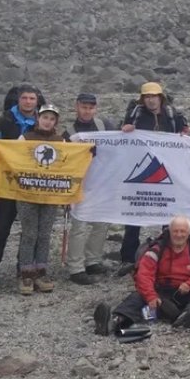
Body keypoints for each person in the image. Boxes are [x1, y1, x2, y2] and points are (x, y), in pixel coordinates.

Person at [93, 215, 190, 334]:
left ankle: (188, 316)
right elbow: (143, 275)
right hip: (160, 295)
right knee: (138, 297)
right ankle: (114, 321)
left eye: (182, 231)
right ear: (169, 231)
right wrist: (151, 296)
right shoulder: (157, 249)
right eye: (175, 231)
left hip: (185, 293)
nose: (179, 235)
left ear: (189, 232)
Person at [118, 82, 190, 274]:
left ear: (160, 97)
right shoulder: (136, 114)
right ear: (143, 99)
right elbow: (122, 132)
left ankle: (168, 253)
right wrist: (124, 129)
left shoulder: (171, 115)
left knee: (167, 212)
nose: (151, 99)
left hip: (166, 171)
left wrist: (185, 136)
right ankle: (127, 258)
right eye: (147, 96)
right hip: (141, 171)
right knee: (134, 214)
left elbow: (184, 133)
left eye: (154, 96)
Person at [0, 84, 44, 292]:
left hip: (30, 185)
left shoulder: (42, 123)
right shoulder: (5, 122)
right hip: (7, 184)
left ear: (37, 101)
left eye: (32, 99)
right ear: (18, 100)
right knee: (0, 229)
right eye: (24, 98)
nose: (28, 102)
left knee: (30, 230)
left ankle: (23, 270)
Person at [15, 104, 69, 295]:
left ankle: (41, 272)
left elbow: (68, 164)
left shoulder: (60, 141)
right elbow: (12, 157)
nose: (48, 121)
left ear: (56, 122)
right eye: (45, 117)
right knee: (30, 233)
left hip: (50, 194)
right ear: (38, 118)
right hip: (26, 194)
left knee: (45, 233)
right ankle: (26, 274)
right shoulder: (25, 138)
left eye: (52, 119)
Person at [66, 92, 113, 285]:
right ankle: (76, 268)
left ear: (96, 108)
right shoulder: (69, 132)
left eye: (91, 107)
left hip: (101, 183)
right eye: (84, 107)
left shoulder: (105, 126)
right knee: (79, 226)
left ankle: (93, 260)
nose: (87, 111)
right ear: (77, 107)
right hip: (80, 184)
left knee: (101, 224)